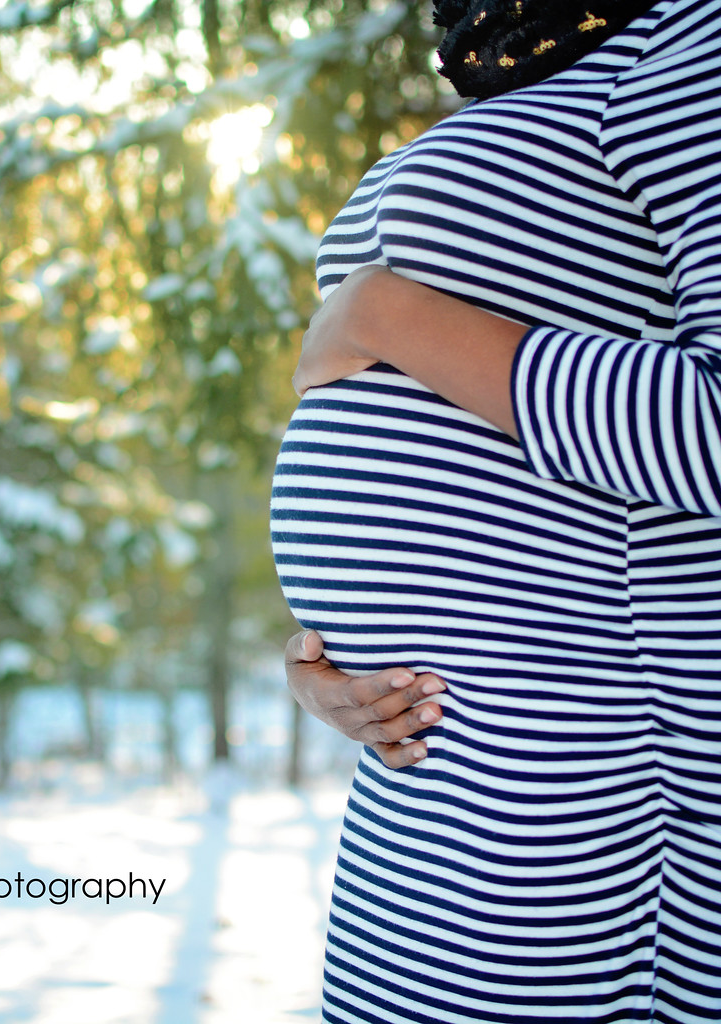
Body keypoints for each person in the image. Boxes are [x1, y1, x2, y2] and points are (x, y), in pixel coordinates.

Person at [269, 1, 721, 1022]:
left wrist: (384, 312)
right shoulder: (523, 77)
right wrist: (337, 665)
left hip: (584, 812)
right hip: (428, 785)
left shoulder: (693, 40)